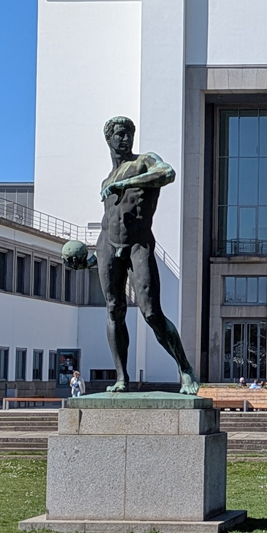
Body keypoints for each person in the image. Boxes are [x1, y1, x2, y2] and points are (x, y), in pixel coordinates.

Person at [86, 116, 198, 393]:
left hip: (139, 244)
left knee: (151, 313)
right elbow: (108, 222)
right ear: (109, 139)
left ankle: (184, 368)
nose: (125, 139)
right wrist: (91, 258)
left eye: (129, 135)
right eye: (120, 134)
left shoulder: (144, 162)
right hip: (108, 246)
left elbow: (168, 173)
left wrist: (127, 184)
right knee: (114, 310)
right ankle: (122, 378)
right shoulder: (106, 179)